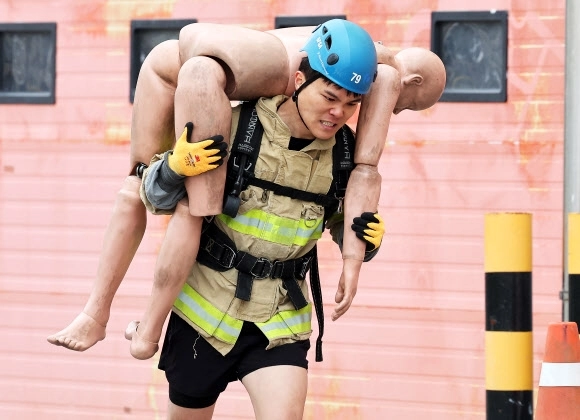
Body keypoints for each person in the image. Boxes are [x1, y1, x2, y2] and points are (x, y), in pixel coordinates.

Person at [46, 21, 445, 352]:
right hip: (179, 71)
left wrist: (363, 241)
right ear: (412, 80)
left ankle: (106, 318)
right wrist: (353, 261)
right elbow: (367, 166)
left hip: (189, 62)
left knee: (143, 190)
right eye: (410, 103)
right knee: (188, 204)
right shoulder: (383, 71)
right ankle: (120, 322)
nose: (395, 109)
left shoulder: (345, 48)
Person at [131, 19, 384, 419]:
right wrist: (174, 169)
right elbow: (156, 200)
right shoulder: (236, 125)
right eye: (330, 96)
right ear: (299, 80)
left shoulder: (345, 156)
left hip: (280, 318)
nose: (338, 112)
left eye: (352, 104)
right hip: (204, 314)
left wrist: (362, 239)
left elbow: (338, 220)